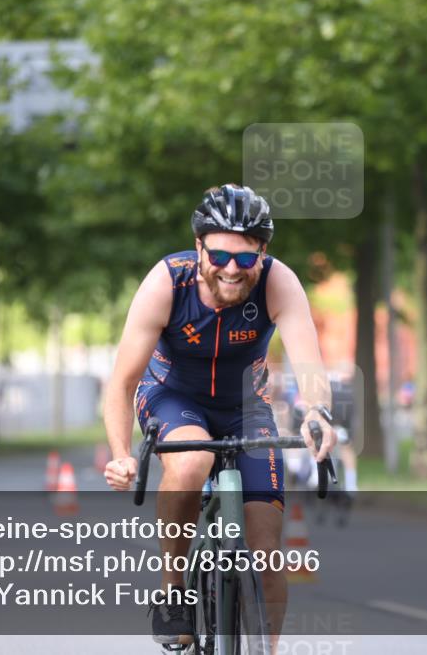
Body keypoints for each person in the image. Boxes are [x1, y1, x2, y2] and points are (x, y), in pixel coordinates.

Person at [103, 184, 336, 652]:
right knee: (189, 462)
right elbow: (121, 382)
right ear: (199, 248)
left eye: (246, 259)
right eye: (220, 255)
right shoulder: (168, 281)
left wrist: (317, 412)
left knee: (268, 555)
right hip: (171, 396)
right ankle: (174, 594)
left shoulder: (279, 281)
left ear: (262, 254)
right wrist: (121, 454)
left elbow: (310, 366)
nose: (232, 269)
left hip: (246, 409)